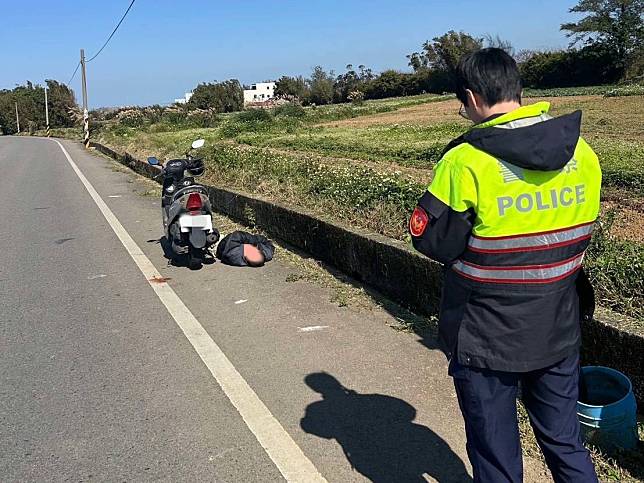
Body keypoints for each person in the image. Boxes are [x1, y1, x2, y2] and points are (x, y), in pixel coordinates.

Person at [409, 48, 600, 482]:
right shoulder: (581, 152)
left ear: (473, 97)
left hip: (486, 334)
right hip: (558, 323)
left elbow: (432, 240)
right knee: (565, 441)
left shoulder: (465, 161)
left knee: (495, 451)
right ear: (518, 89)